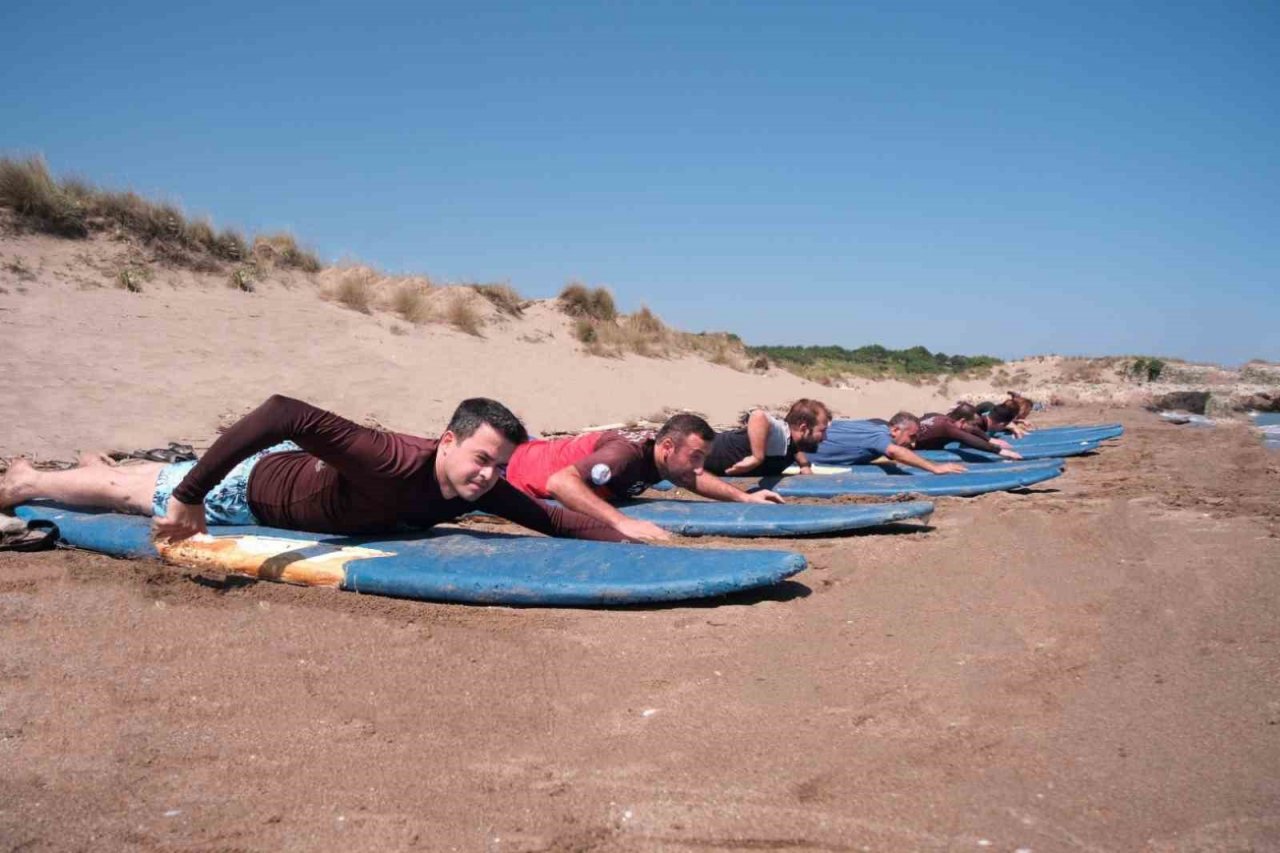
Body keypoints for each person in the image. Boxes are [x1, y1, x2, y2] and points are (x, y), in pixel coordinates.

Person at [0, 394, 628, 543]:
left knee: (136, 477)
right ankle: (25, 481)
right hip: (246, 492)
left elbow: (550, 518)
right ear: (447, 442)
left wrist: (628, 530)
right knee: (126, 493)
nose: (489, 475)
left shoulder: (475, 488)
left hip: (287, 473)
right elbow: (281, 411)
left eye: (499, 466)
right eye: (482, 458)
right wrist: (191, 495)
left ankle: (96, 464)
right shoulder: (391, 459)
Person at [504, 413, 783, 542]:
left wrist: (745, 498)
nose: (699, 467)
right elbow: (560, 484)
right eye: (695, 456)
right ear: (668, 447)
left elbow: (691, 478)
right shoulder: (625, 455)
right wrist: (622, 522)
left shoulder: (662, 457)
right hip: (513, 467)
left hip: (537, 449)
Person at [703, 399, 832, 477]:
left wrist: (804, 465)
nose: (825, 437)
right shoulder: (780, 433)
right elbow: (758, 416)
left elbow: (795, 447)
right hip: (704, 449)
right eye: (822, 431)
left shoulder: (791, 442)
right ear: (803, 428)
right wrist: (756, 458)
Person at [808, 412, 968, 474]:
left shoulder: (873, 426)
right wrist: (935, 468)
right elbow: (894, 451)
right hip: (801, 457)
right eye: (911, 437)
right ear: (895, 430)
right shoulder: (880, 435)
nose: (913, 444)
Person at [914, 404, 1024, 459]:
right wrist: (1000, 451)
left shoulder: (941, 417)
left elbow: (972, 429)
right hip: (912, 449)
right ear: (962, 421)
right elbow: (969, 439)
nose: (973, 426)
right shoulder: (948, 428)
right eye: (971, 423)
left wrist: (989, 439)